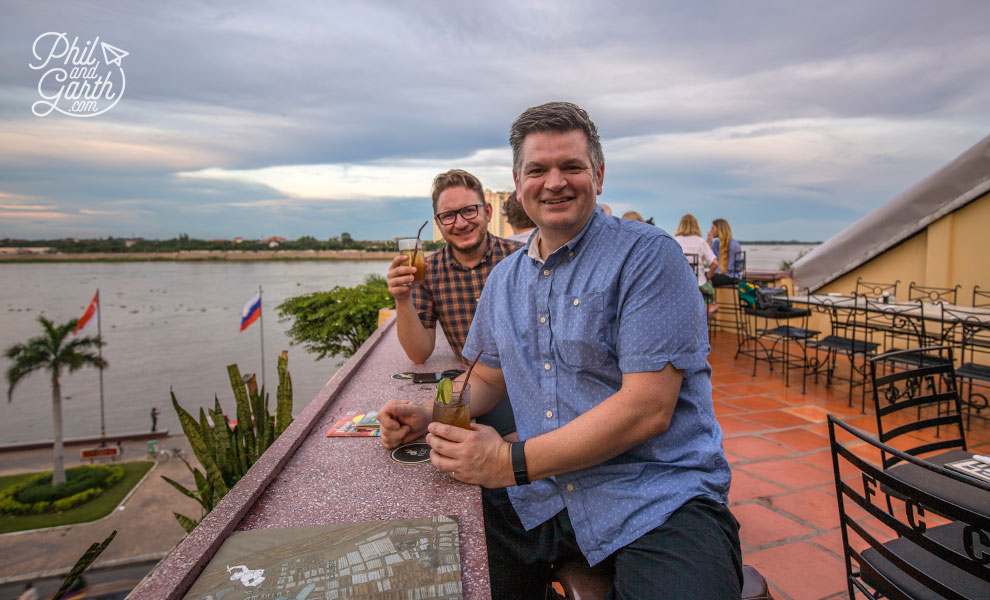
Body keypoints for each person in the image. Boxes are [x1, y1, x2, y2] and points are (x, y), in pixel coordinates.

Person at [379, 102, 740, 598]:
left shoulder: (648, 255)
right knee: (439, 568)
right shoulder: (505, 280)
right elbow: (485, 379)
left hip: (654, 494)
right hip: (547, 492)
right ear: (517, 180)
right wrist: (430, 415)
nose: (554, 182)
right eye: (538, 169)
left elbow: (647, 410)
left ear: (599, 174)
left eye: (571, 166)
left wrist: (509, 462)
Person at [385, 168, 521, 436]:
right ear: (438, 223)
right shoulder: (429, 270)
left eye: (469, 210)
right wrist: (402, 299)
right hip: (477, 384)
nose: (460, 223)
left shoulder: (519, 259)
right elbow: (418, 353)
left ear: (488, 213)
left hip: (527, 384)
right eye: (448, 216)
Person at [673, 213, 719, 316]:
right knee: (709, 291)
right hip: (699, 284)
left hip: (680, 286)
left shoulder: (674, 240)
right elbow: (715, 263)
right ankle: (705, 317)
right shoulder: (701, 242)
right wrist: (708, 276)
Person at [708, 217, 744, 285]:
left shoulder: (734, 245)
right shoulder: (716, 243)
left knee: (709, 279)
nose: (711, 231)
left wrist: (710, 276)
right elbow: (710, 260)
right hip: (719, 273)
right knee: (700, 278)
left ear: (719, 229)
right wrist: (709, 243)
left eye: (713, 228)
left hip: (732, 276)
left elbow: (729, 269)